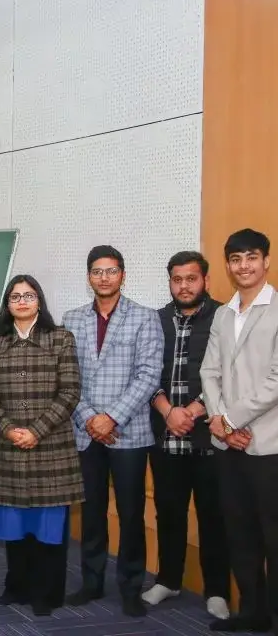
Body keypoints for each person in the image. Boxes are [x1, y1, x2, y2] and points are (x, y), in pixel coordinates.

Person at [62, 245, 162, 617]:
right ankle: (91, 582)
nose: (104, 277)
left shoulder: (144, 318)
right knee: (91, 511)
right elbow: (66, 377)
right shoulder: (71, 320)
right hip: (85, 431)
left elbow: (149, 375)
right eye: (97, 271)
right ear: (89, 276)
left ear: (123, 274)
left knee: (132, 512)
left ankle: (131, 587)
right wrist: (90, 417)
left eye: (111, 270)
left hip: (129, 433)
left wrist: (112, 417)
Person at [0, 275, 83, 616]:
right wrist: (10, 430)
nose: (22, 301)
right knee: (14, 525)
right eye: (15, 297)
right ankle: (17, 586)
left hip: (51, 446)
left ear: (39, 301)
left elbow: (70, 392)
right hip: (11, 446)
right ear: (7, 305)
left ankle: (47, 593)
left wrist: (36, 431)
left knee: (48, 527)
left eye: (28, 295)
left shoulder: (61, 339)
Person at [143, 251, 229, 619]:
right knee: (169, 512)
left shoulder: (225, 317)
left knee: (214, 516)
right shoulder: (156, 320)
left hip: (208, 436)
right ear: (170, 283)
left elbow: (229, 371)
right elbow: (145, 371)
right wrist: (167, 411)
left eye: (191, 279)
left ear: (205, 281)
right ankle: (168, 579)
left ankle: (217, 591)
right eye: (177, 279)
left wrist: (193, 411)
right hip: (165, 436)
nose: (184, 286)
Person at [201, 228, 278, 632]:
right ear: (228, 265)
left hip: (268, 444)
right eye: (235, 259)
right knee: (240, 532)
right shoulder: (223, 312)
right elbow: (208, 371)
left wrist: (232, 419)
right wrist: (219, 421)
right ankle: (253, 613)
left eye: (251, 257)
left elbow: (275, 380)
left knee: (274, 537)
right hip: (227, 444)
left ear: (266, 260)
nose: (243, 266)